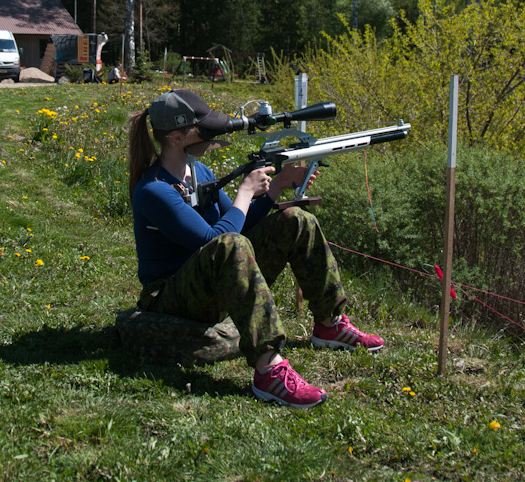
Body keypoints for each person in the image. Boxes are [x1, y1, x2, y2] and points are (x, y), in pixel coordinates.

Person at [128, 89, 383, 409]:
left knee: (295, 219)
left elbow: (239, 227)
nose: (212, 135)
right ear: (177, 137)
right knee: (230, 245)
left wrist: (275, 187)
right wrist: (245, 192)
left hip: (207, 282)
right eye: (203, 130)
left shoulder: (199, 172)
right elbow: (215, 241)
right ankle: (269, 371)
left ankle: (330, 325)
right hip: (169, 297)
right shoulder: (153, 190)